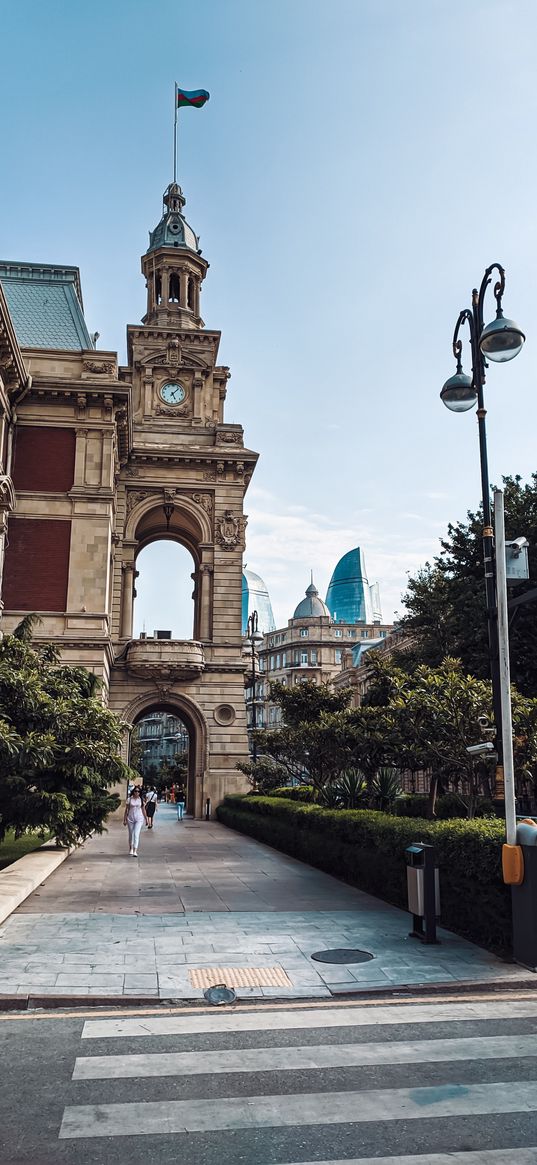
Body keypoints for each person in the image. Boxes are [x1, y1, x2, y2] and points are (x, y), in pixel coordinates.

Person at [123, 785, 147, 856]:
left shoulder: (141, 800)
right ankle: (131, 848)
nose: (137, 793)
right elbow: (126, 810)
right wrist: (124, 819)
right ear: (133, 792)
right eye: (136, 791)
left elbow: (143, 810)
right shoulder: (129, 799)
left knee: (136, 834)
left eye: (138, 791)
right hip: (130, 819)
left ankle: (135, 850)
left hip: (139, 819)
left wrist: (146, 819)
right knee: (131, 834)